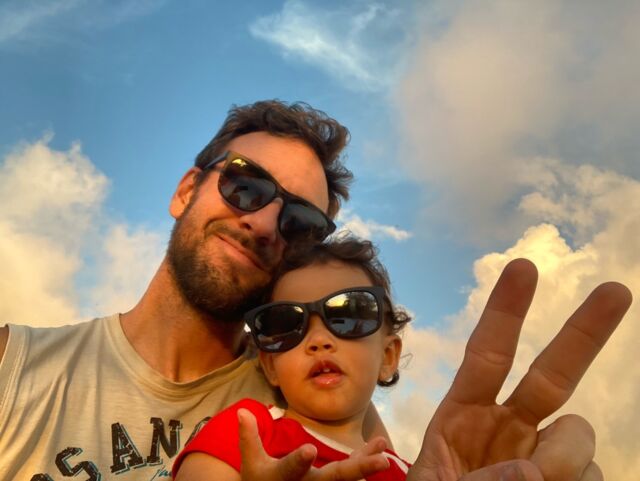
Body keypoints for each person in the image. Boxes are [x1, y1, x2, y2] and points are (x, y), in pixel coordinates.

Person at [0, 100, 632, 481]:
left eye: (300, 222)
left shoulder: (321, 404)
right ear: (187, 190)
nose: (264, 223)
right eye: (245, 186)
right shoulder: (17, 367)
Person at [173, 237, 412, 481]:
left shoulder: (409, 473)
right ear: (270, 366)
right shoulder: (248, 430)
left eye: (347, 318)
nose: (319, 340)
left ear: (387, 357)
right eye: (288, 323)